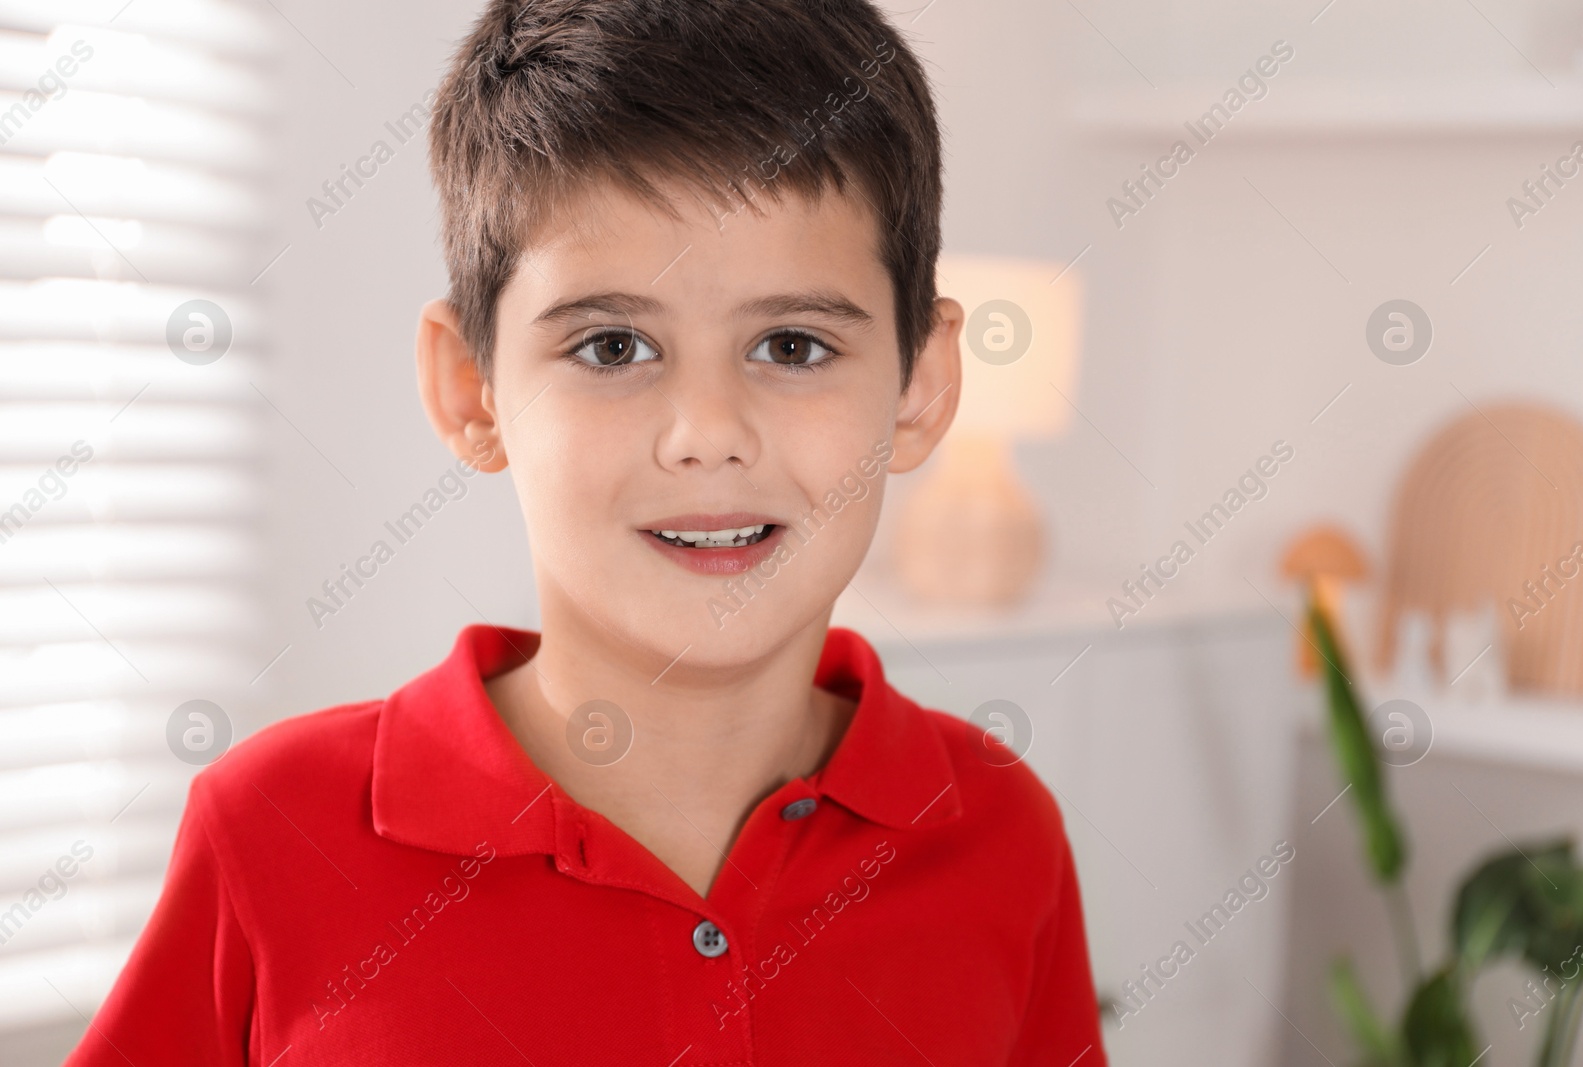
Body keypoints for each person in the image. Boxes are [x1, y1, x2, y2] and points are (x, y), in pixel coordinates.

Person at [67, 1, 1106, 1063]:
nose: (707, 435)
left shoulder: (999, 831)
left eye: (791, 345)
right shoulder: (272, 831)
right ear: (472, 388)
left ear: (920, 386)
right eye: (613, 347)